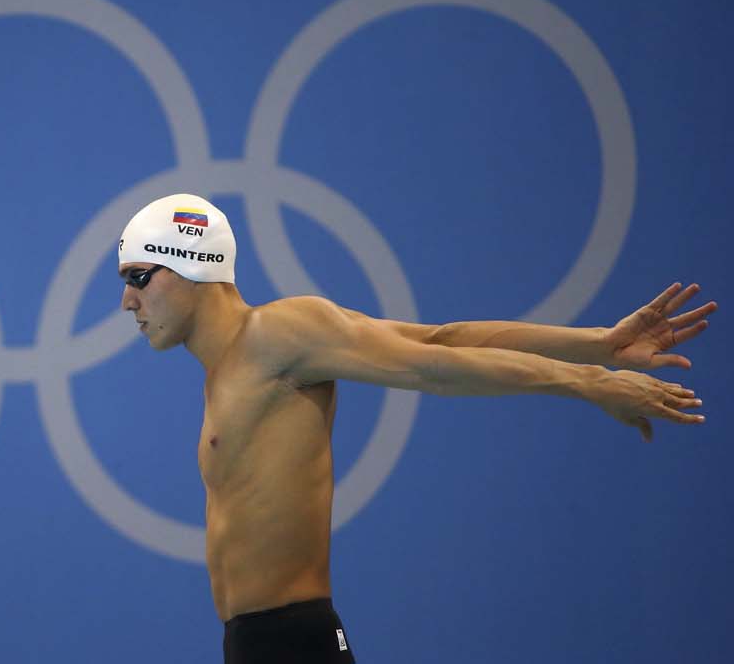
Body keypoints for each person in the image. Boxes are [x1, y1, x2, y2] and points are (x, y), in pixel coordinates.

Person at [116, 194, 715, 664]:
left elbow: (436, 368)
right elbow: (438, 337)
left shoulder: (278, 335)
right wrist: (599, 344)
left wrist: (593, 381)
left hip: (293, 642)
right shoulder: (229, 367)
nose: (126, 301)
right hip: (252, 643)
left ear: (191, 265)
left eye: (139, 277)